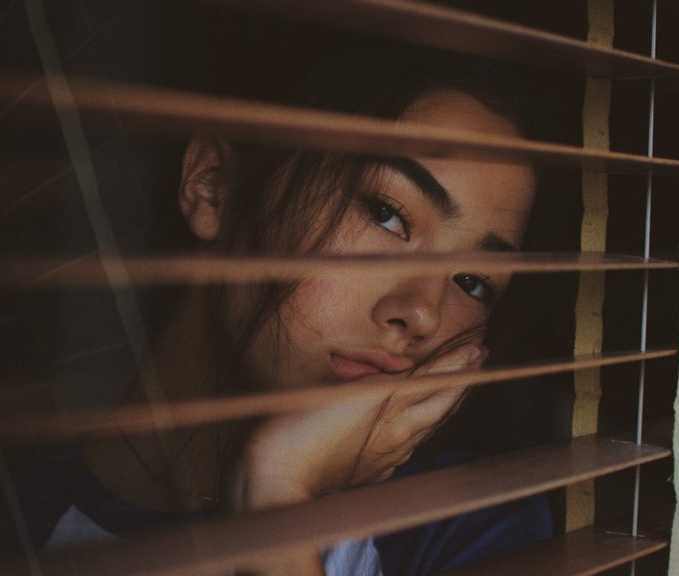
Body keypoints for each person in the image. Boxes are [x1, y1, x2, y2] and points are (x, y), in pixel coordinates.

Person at [43, 47, 551, 575]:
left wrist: (276, 490)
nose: (424, 315)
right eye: (387, 214)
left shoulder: (469, 529)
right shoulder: (5, 517)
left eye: (473, 282)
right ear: (214, 187)